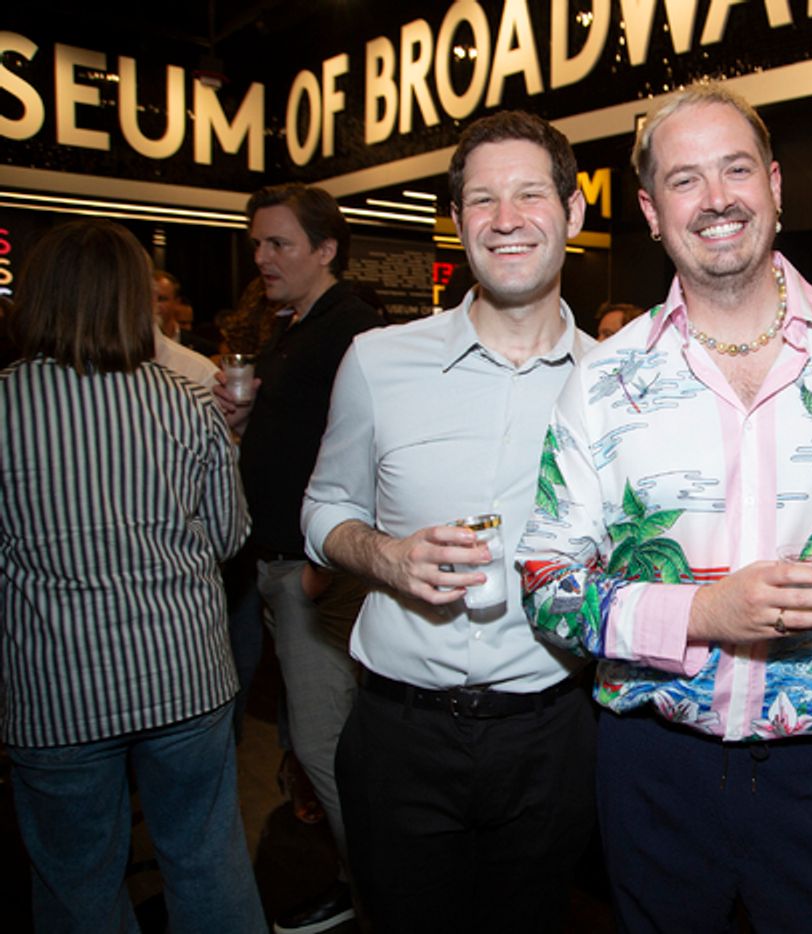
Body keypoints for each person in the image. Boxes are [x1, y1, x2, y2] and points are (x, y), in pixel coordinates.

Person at [516, 82, 812, 930]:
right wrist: (701, 613)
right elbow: (544, 583)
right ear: (651, 212)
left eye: (737, 169)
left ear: (776, 185)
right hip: (654, 772)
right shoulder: (605, 379)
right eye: (685, 179)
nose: (716, 198)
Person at [301, 110, 597, 932]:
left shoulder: (618, 382)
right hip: (401, 737)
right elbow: (324, 506)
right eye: (482, 200)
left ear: (572, 213)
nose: (506, 219)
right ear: (457, 220)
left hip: (551, 734)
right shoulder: (379, 361)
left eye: (530, 194)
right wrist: (385, 557)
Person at [0, 219, 263, 933]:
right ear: (131, 299)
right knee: (206, 860)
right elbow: (230, 536)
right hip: (184, 676)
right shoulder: (187, 401)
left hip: (56, 691)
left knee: (77, 883)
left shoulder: (6, 405)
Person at [213, 182, 382, 933]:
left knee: (324, 748)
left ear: (325, 249)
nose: (262, 257)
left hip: (315, 576)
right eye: (257, 243)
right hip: (283, 568)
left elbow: (376, 455)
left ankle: (380, 898)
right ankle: (360, 884)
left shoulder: (351, 332)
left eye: (278, 243)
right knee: (310, 746)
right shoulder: (295, 326)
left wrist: (323, 565)